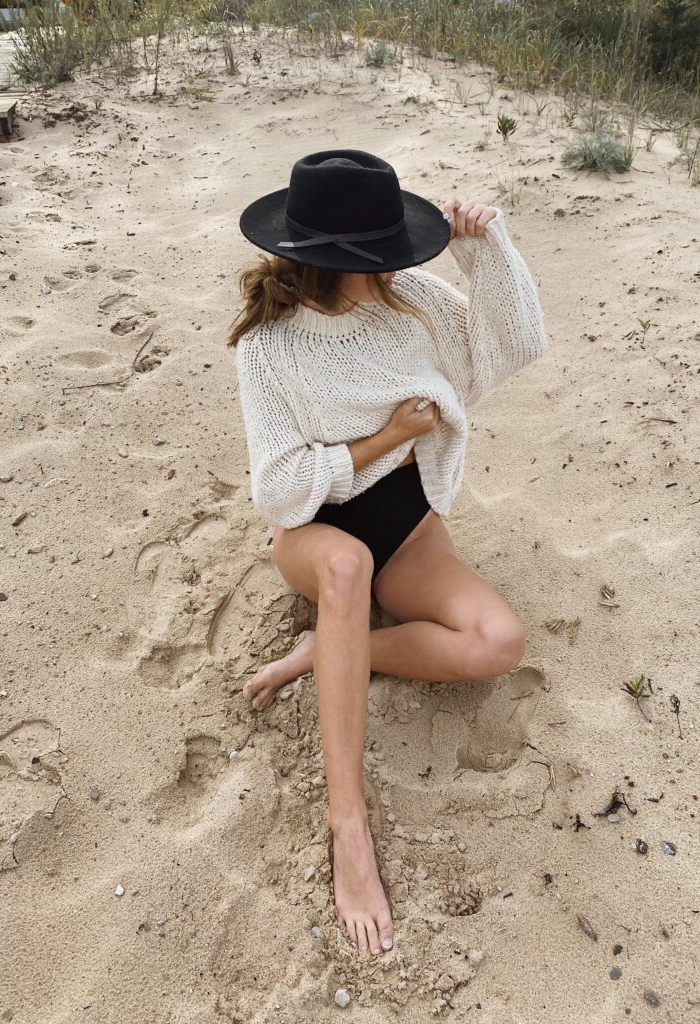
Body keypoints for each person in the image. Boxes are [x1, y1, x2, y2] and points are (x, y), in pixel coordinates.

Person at [229, 149, 546, 958]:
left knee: (497, 642)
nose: (400, 263)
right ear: (335, 256)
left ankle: (333, 650)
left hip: (406, 520)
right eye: (385, 251)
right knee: (345, 568)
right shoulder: (268, 348)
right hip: (316, 528)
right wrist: (389, 437)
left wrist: (487, 249)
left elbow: (511, 348)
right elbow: (282, 487)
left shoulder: (417, 303)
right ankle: (349, 827)